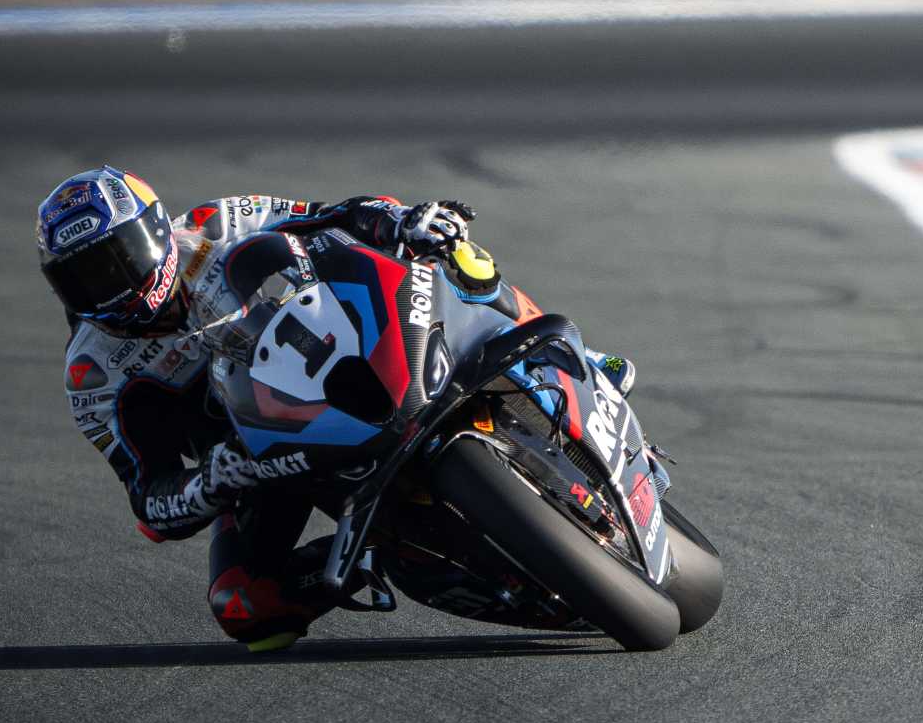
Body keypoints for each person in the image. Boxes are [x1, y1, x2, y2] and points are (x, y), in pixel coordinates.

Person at [35, 166, 629, 653]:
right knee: (245, 608)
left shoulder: (219, 223)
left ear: (156, 228)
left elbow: (338, 214)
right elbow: (149, 501)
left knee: (456, 255)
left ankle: (573, 356)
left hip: (338, 346)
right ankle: (372, 557)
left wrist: (403, 220)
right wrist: (210, 482)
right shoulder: (94, 373)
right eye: (84, 278)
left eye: (120, 257)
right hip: (262, 457)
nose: (113, 285)